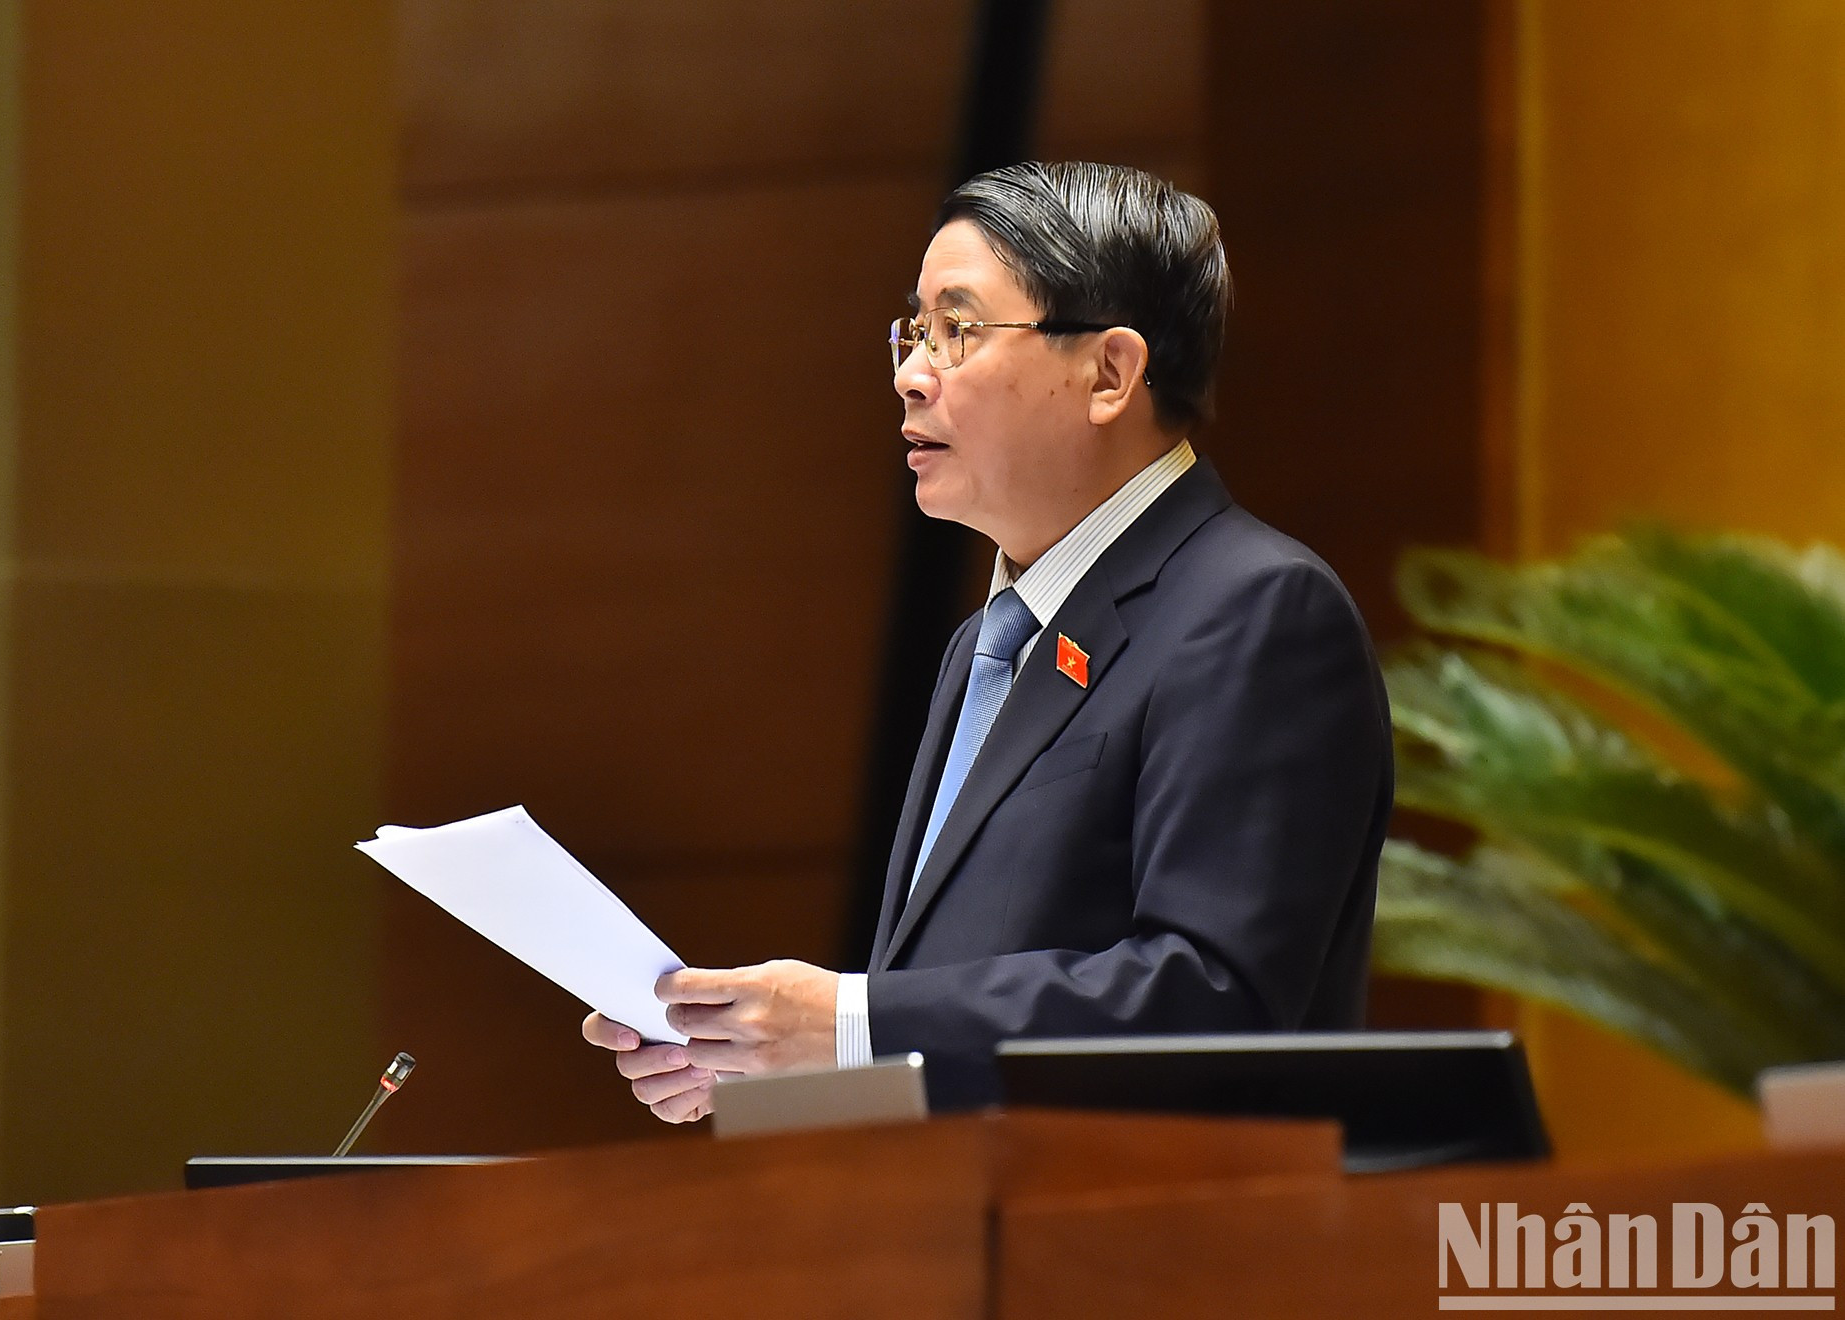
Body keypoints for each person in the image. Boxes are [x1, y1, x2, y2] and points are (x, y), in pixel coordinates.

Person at [582, 160, 1393, 1121]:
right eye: (913, 331)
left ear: (1108, 373)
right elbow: (960, 1008)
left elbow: (1210, 999)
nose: (909, 374)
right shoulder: (988, 641)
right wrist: (776, 1066)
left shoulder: (1256, 609)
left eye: (957, 332)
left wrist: (848, 1022)